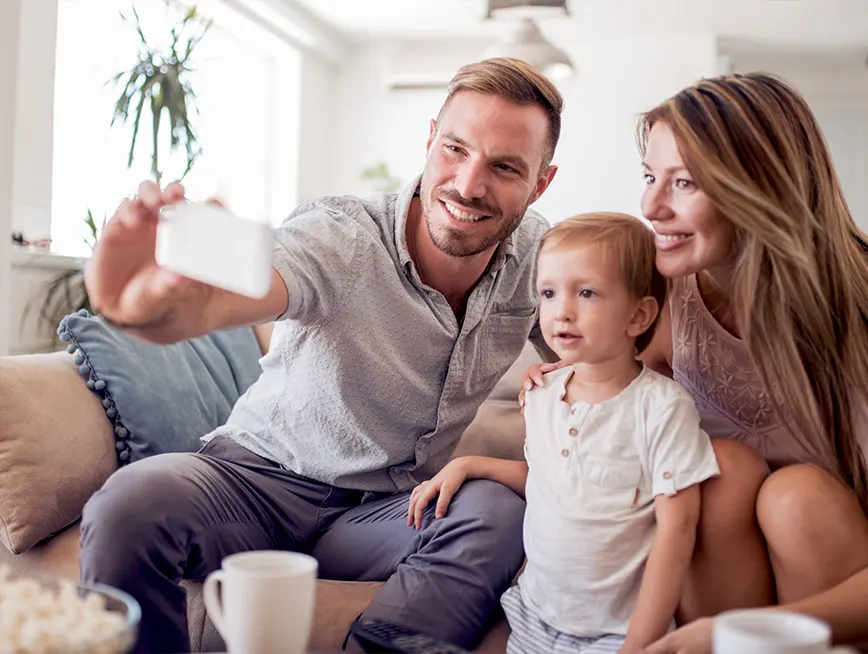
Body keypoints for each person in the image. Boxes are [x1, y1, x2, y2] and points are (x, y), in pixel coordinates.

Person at [79, 57, 562, 654]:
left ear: (541, 181)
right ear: (430, 137)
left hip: (386, 513)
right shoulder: (342, 234)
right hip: (254, 483)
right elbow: (237, 293)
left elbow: (609, 350)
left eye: (505, 166)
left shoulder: (541, 257)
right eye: (455, 149)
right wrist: (142, 309)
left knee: (495, 512)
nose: (467, 184)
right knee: (130, 503)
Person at [522, 72, 868, 654]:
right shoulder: (671, 295)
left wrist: (737, 633)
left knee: (794, 497)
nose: (649, 207)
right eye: (649, 177)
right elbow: (620, 423)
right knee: (722, 469)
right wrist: (555, 381)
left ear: (761, 187)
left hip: (854, 581)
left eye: (683, 182)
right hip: (730, 597)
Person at [410, 213, 720, 654]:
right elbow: (554, 479)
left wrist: (639, 643)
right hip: (533, 614)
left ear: (638, 315)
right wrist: (469, 464)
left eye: (587, 292)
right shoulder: (541, 393)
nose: (562, 311)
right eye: (549, 293)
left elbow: (677, 531)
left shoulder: (662, 408)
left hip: (616, 631)